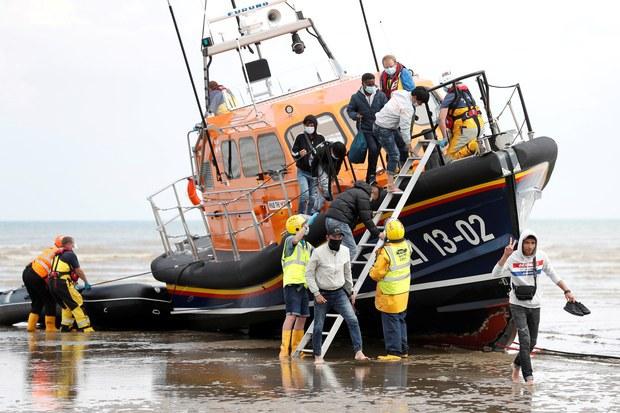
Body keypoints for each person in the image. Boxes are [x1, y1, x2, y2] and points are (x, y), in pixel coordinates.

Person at [492, 230, 577, 385]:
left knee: (532, 342)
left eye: (532, 243)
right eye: (527, 242)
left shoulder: (541, 257)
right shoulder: (513, 258)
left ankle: (516, 364)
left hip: (535, 304)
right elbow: (495, 273)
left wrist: (567, 291)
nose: (530, 246)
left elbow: (553, 275)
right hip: (517, 304)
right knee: (524, 340)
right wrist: (505, 255)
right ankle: (529, 377)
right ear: (522, 243)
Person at [305, 226, 370, 363]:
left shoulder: (345, 251)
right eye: (334, 237)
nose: (337, 239)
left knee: (352, 320)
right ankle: (318, 356)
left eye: (340, 237)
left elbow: (347, 272)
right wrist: (316, 293)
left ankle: (358, 352)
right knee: (318, 325)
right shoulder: (318, 252)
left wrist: (351, 291)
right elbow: (309, 274)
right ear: (328, 237)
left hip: (339, 292)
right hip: (322, 294)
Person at [369, 218, 413, 361]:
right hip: (403, 291)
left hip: (390, 293)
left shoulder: (385, 252)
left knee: (391, 323)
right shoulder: (407, 245)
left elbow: (376, 275)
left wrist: (373, 264)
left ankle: (394, 353)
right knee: (401, 320)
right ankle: (403, 350)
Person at [373, 88, 425, 193]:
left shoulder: (402, 93)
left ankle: (405, 170)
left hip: (385, 125)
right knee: (394, 154)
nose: (420, 104)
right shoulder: (408, 108)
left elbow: (393, 93)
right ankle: (391, 186)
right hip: (383, 129)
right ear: (415, 97)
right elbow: (405, 128)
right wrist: (410, 145)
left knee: (402, 147)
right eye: (420, 102)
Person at [279, 215, 314, 359]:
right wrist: (303, 227)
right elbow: (294, 240)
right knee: (291, 315)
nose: (307, 228)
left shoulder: (307, 246)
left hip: (303, 284)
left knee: (303, 316)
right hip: (292, 284)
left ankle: (296, 347)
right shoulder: (289, 241)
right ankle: (284, 349)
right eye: (304, 226)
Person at [325, 181, 385, 261]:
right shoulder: (363, 196)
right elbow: (366, 218)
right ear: (373, 192)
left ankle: (334, 269)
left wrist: (369, 213)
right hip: (340, 222)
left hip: (329, 219)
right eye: (373, 198)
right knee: (352, 250)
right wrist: (378, 233)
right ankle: (343, 272)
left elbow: (356, 210)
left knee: (340, 250)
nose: (371, 201)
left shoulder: (352, 191)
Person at [346, 73, 388, 183]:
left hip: (380, 128)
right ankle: (371, 177)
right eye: (369, 84)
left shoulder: (380, 95)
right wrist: (356, 116)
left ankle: (372, 176)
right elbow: (350, 110)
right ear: (363, 83)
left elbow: (387, 108)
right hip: (366, 129)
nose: (371, 86)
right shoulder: (356, 97)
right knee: (373, 149)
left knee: (377, 151)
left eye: (373, 84)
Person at [48, 236, 94, 332]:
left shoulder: (56, 255)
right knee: (77, 303)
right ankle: (86, 328)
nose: (73, 247)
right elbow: (78, 270)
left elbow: (59, 270)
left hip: (52, 284)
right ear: (68, 244)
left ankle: (65, 327)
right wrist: (86, 282)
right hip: (62, 283)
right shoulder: (70, 255)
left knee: (66, 304)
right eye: (72, 244)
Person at [438, 72, 485, 162]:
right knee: (460, 148)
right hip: (479, 126)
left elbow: (441, 119)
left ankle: (473, 146)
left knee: (448, 158)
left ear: (447, 84)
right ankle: (473, 148)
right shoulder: (466, 92)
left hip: (466, 129)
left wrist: (445, 138)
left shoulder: (450, 96)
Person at [22, 235, 64, 332]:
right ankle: (50, 328)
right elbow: (52, 273)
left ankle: (31, 327)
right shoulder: (59, 254)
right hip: (37, 275)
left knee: (37, 301)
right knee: (50, 301)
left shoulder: (50, 249)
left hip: (27, 272)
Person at [291, 115, 326, 215]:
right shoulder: (300, 137)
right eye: (307, 125)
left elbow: (325, 153)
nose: (309, 127)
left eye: (311, 125)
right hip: (302, 172)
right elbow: (293, 152)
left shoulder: (320, 138)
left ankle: (309, 215)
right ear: (304, 125)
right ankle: (301, 214)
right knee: (305, 195)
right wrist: (299, 154)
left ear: (315, 126)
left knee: (313, 197)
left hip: (314, 172)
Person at [311, 140, 347, 210]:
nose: (337, 157)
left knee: (328, 185)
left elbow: (339, 164)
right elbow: (314, 164)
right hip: (320, 162)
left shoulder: (341, 153)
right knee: (325, 186)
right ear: (332, 150)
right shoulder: (321, 151)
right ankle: (328, 203)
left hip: (331, 163)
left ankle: (320, 205)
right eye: (336, 155)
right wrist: (315, 177)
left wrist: (335, 174)